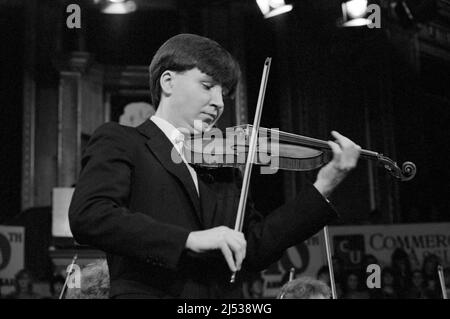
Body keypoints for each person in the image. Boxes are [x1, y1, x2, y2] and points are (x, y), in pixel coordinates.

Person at [69, 33, 361, 298]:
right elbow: (90, 214)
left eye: (224, 93)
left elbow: (254, 248)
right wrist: (188, 239)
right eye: (207, 86)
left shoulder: (221, 166)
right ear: (168, 81)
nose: (219, 102)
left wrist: (324, 185)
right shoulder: (122, 140)